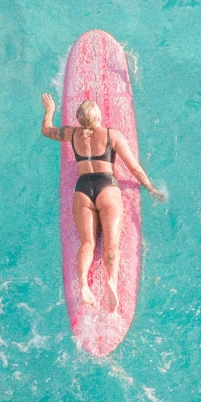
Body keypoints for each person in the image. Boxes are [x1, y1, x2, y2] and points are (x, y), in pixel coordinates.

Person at [41, 94, 165, 312]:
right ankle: (111, 283)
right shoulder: (111, 135)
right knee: (111, 243)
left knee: (88, 242)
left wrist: (49, 109)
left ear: (80, 119)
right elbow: (134, 168)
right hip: (107, 188)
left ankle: (83, 285)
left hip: (83, 190)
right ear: (98, 117)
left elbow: (47, 130)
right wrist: (152, 189)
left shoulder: (72, 134)